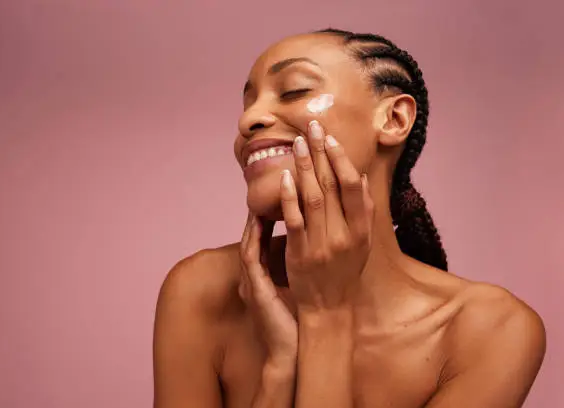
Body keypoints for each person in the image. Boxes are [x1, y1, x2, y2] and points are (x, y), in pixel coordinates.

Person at [152, 28, 546, 408]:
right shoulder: (202, 291)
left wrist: (327, 317)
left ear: (394, 120)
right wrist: (280, 372)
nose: (247, 121)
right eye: (247, 104)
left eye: (294, 90)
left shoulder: (491, 331)